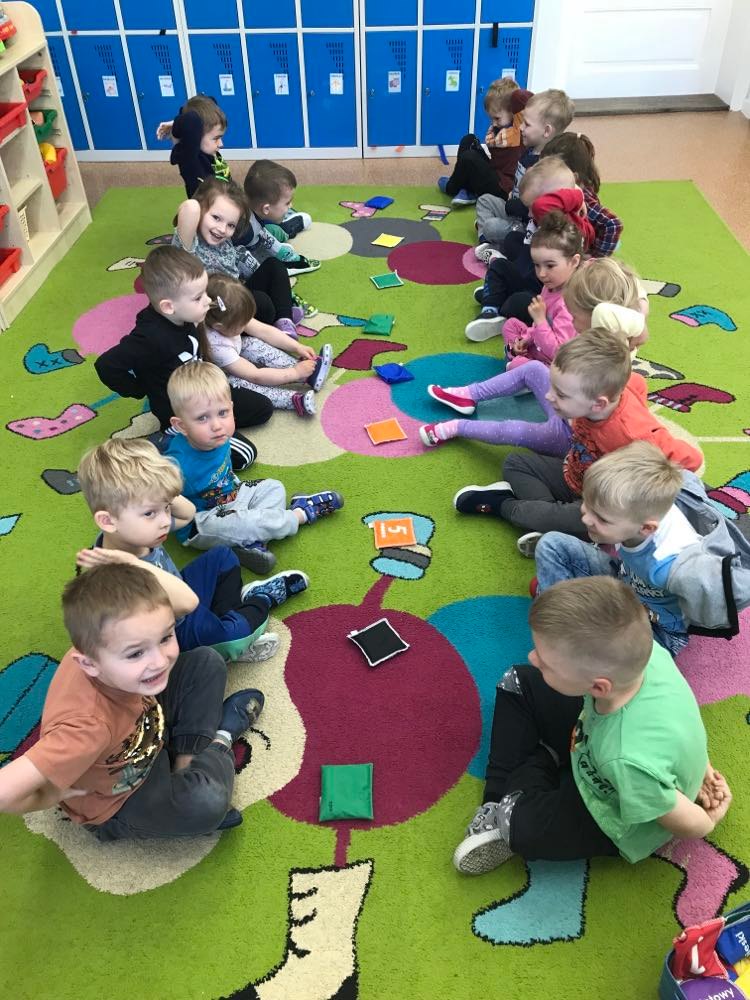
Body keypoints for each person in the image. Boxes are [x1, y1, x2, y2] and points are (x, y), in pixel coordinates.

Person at [452, 576, 731, 875]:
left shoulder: (626, 758)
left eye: (546, 662)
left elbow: (681, 820)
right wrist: (702, 767)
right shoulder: (647, 655)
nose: (533, 658)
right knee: (516, 682)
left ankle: (518, 789)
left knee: (515, 821)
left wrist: (709, 820)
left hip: (607, 808)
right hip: (595, 741)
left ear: (598, 687)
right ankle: (501, 795)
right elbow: (683, 724)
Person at [0, 562, 268, 838]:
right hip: (120, 798)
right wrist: (49, 796)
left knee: (206, 662)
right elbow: (4, 792)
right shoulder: (86, 728)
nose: (160, 661)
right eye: (136, 653)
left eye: (165, 637)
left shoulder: (108, 639)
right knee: (207, 803)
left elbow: (187, 601)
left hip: (142, 726)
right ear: (90, 664)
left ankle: (186, 771)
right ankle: (221, 740)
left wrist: (124, 561)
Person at [452, 328, 703, 547]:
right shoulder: (608, 395)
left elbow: (690, 459)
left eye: (561, 395)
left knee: (543, 515)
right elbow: (636, 383)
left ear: (598, 403)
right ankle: (550, 524)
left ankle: (502, 505)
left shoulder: (631, 434)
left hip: (596, 504)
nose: (549, 397)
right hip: (573, 473)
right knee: (515, 463)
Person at [76, 439, 303, 663]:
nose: (166, 521)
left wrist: (160, 490)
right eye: (150, 513)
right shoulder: (111, 577)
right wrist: (134, 565)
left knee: (223, 556)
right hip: (175, 631)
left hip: (180, 592)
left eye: (166, 508)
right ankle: (260, 599)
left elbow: (187, 514)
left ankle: (228, 622)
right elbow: (188, 604)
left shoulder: (136, 531)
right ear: (108, 521)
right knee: (234, 635)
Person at [423, 262, 652, 466]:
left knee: (513, 429)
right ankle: (469, 395)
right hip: (567, 406)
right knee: (533, 369)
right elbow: (630, 290)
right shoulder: (605, 334)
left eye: (574, 315)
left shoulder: (609, 353)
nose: (571, 319)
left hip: (571, 436)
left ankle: (456, 427)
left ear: (598, 314)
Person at [534, 440, 742, 655]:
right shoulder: (634, 510)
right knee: (551, 544)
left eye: (601, 518)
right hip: (623, 583)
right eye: (586, 503)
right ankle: (562, 613)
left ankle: (566, 623)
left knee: (603, 651)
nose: (586, 519)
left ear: (646, 528)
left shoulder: (673, 566)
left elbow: (719, 596)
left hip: (656, 629)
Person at [94, 245, 267, 472]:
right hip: (181, 413)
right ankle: (165, 443)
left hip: (202, 392)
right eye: (198, 297)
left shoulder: (181, 315)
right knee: (245, 455)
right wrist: (138, 389)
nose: (207, 301)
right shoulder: (149, 337)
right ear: (168, 307)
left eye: (205, 293)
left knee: (261, 408)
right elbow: (106, 365)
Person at [165, 361, 344, 570]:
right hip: (201, 521)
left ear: (232, 408)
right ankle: (300, 514)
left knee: (274, 487)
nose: (217, 425)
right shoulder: (176, 465)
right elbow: (153, 493)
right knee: (249, 523)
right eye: (202, 418)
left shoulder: (219, 437)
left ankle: (252, 544)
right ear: (181, 426)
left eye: (223, 413)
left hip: (232, 496)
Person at [173, 177, 316, 338]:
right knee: (263, 303)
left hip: (235, 294)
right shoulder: (189, 243)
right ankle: (274, 317)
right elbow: (190, 207)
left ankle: (284, 320)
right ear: (201, 210)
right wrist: (201, 200)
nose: (222, 229)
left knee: (274, 266)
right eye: (216, 218)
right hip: (216, 311)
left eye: (231, 225)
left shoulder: (225, 243)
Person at [466, 164, 586, 342]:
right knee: (505, 253)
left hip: (540, 293)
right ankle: (490, 308)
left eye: (533, 207)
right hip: (531, 273)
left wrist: (577, 194)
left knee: (517, 301)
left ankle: (498, 300)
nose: (530, 213)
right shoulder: (540, 220)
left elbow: (544, 205)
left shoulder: (565, 224)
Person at [201, 274, 332, 417]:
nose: (245, 326)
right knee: (238, 383)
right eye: (242, 324)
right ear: (219, 327)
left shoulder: (228, 318)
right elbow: (255, 375)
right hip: (220, 376)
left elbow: (264, 331)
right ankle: (290, 400)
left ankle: (309, 375)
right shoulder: (217, 347)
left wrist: (297, 347)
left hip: (233, 353)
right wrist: (294, 373)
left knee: (252, 343)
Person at [474, 88, 575, 257]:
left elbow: (538, 210)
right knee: (485, 200)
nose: (520, 127)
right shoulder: (529, 148)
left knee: (491, 226)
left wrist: (513, 206)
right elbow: (519, 97)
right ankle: (486, 241)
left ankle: (495, 243)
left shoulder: (549, 168)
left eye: (526, 124)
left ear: (547, 131)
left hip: (526, 224)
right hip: (512, 210)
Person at [437, 80, 530, 205]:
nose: (494, 123)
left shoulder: (518, 131)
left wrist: (515, 94)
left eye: (497, 118)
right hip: (493, 173)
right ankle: (468, 190)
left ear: (513, 112)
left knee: (469, 157)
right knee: (468, 140)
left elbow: (526, 99)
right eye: (491, 118)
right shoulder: (497, 129)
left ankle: (452, 188)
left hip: (503, 188)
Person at [539, 132, 623, 258]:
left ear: (573, 176)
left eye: (548, 172)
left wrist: (594, 257)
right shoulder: (566, 191)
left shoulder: (583, 199)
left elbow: (613, 224)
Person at [243, 159, 319, 275]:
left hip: (257, 232)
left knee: (273, 232)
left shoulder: (254, 214)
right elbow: (238, 257)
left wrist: (281, 251)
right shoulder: (246, 231)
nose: (291, 206)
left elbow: (263, 235)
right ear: (266, 209)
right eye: (287, 203)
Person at [157, 94, 230, 198]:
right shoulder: (190, 159)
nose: (221, 144)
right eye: (216, 138)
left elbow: (210, 101)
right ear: (196, 135)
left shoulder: (210, 153)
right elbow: (192, 120)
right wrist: (176, 125)